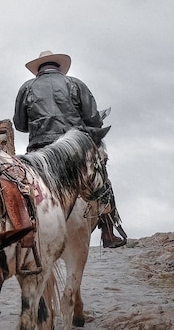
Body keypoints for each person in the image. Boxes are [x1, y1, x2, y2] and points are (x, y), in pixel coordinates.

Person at [13, 50, 127, 248]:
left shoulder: (26, 88)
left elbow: (20, 125)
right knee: (102, 179)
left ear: (38, 69)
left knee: (23, 185)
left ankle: (24, 227)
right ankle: (108, 231)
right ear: (59, 67)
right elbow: (93, 119)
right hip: (74, 147)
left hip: (40, 150)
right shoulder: (75, 84)